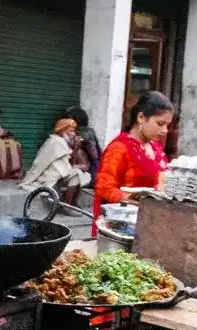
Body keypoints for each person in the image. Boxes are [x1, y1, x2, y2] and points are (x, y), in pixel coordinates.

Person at [93, 91, 173, 233]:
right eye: (160, 123)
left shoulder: (156, 148)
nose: (165, 130)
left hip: (151, 224)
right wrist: (134, 199)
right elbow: (104, 188)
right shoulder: (120, 148)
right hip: (122, 226)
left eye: (167, 125)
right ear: (141, 117)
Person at [19, 117, 90, 204]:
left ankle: (74, 204)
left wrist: (76, 147)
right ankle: (66, 205)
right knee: (76, 175)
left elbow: (70, 164)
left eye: (74, 131)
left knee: (79, 174)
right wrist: (30, 177)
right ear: (63, 131)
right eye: (71, 131)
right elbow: (40, 163)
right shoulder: (55, 142)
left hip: (61, 174)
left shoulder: (63, 142)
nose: (74, 134)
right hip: (51, 175)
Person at [64, 105, 101, 180]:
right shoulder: (88, 130)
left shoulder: (83, 133)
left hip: (90, 170)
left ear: (76, 119)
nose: (67, 120)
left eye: (69, 118)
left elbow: (94, 155)